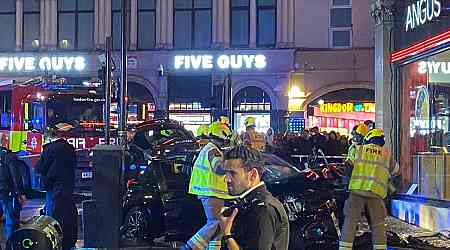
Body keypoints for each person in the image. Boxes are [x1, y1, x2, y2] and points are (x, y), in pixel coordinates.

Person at [219, 145, 289, 250]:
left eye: (233, 173)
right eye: (226, 173)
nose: (227, 179)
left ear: (252, 174)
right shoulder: (251, 204)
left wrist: (227, 235)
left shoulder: (263, 210)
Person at [339, 128, 398, 250]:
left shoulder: (359, 150)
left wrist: (346, 183)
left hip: (357, 192)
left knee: (350, 221)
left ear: (368, 139)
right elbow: (397, 171)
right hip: (376, 194)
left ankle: (345, 248)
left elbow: (347, 168)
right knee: (378, 225)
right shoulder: (386, 154)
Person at [183, 122, 234, 250]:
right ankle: (190, 247)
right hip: (211, 193)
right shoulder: (213, 150)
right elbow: (219, 168)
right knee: (215, 223)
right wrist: (232, 165)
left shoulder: (210, 148)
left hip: (212, 192)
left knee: (219, 228)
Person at [35, 129, 77, 250]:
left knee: (52, 217)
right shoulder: (69, 147)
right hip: (68, 186)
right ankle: (68, 244)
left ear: (48, 138)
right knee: (67, 215)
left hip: (54, 188)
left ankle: (54, 243)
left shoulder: (49, 149)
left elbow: (40, 168)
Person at [0, 148, 27, 239]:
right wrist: (20, 193)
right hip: (7, 192)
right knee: (11, 221)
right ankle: (11, 245)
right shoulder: (9, 156)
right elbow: (15, 175)